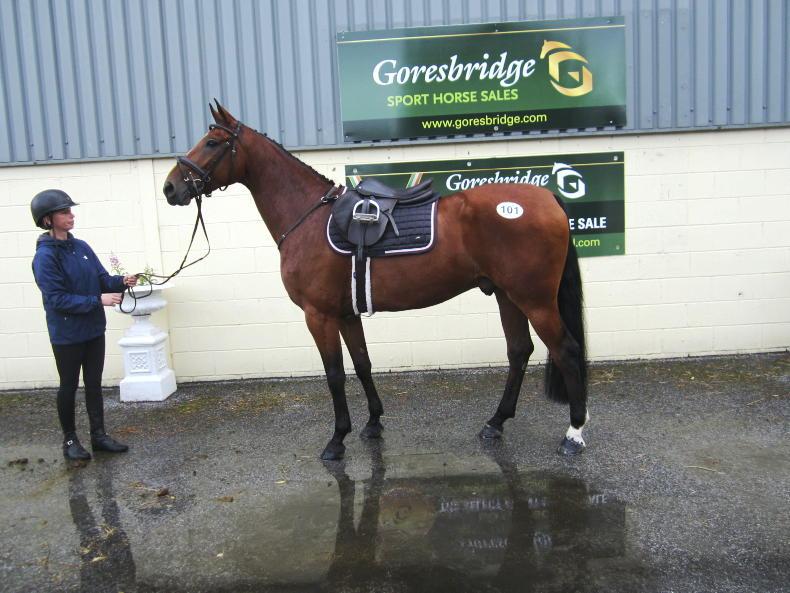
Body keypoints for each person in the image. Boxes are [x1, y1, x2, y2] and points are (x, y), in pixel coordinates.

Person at [30, 189, 138, 461]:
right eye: (64, 211)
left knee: (94, 384)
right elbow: (57, 299)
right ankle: (69, 441)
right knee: (68, 385)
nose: (71, 215)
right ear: (47, 219)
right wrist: (97, 300)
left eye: (70, 210)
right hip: (67, 334)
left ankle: (98, 436)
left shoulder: (81, 247)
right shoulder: (45, 257)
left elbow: (102, 279)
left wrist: (121, 281)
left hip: (93, 330)